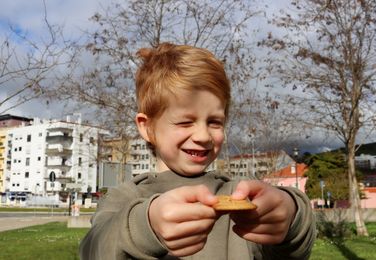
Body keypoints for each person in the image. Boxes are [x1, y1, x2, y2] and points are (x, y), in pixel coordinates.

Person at [79, 43, 316, 260]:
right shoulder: (123, 198)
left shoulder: (240, 196)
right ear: (147, 127)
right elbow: (94, 250)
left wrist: (290, 213)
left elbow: (291, 252)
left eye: (214, 122)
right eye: (185, 122)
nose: (203, 136)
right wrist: (146, 226)